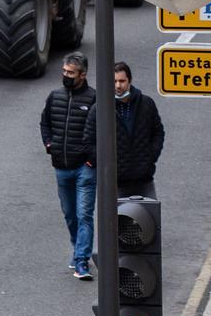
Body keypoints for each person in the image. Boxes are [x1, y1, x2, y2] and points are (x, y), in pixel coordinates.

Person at [41, 52, 99, 280]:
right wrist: (49, 144)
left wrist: (92, 159)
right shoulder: (54, 97)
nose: (66, 76)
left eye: (71, 73)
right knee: (70, 215)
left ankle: (82, 261)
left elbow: (102, 130)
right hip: (61, 166)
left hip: (85, 168)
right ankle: (78, 250)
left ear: (83, 75)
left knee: (84, 214)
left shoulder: (94, 99)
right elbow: (45, 123)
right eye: (64, 71)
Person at [111, 63, 165, 198]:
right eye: (114, 81)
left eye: (122, 81)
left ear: (130, 81)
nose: (118, 86)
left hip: (144, 180)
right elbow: (90, 139)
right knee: (116, 219)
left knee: (150, 217)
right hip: (116, 183)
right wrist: (107, 166)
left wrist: (150, 157)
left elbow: (158, 132)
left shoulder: (146, 103)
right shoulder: (101, 107)